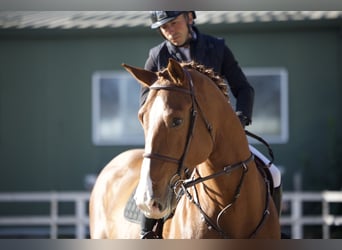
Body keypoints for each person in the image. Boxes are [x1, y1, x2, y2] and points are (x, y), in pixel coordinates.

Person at [139, 11, 282, 239]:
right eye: (164, 28)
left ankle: (273, 229)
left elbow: (243, 88)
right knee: (155, 181)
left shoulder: (216, 47)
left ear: (189, 18)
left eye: (174, 24)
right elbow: (149, 105)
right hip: (182, 140)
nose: (170, 32)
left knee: (273, 173)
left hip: (221, 135)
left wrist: (239, 120)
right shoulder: (158, 55)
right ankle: (147, 232)